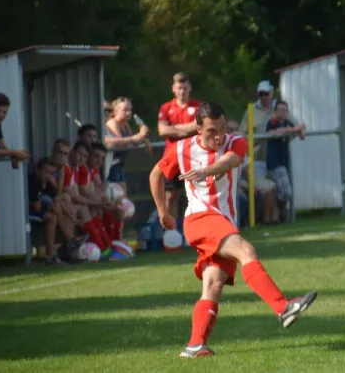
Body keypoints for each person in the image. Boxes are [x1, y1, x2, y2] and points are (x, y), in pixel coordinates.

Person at [149, 101, 317, 358]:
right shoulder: (182, 149)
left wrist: (208, 169)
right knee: (246, 251)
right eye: (210, 131)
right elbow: (155, 175)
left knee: (213, 283)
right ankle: (283, 308)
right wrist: (162, 212)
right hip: (200, 218)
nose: (217, 136)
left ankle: (195, 344)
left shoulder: (234, 141)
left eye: (221, 129)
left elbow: (231, 159)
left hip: (220, 221)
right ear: (198, 129)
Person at [157, 72, 201, 226]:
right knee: (171, 196)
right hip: (172, 157)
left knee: (196, 196)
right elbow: (162, 131)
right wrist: (187, 130)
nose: (182, 91)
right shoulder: (166, 107)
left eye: (185, 87)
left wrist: (173, 128)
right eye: (179, 88)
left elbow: (198, 126)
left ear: (190, 88)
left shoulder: (198, 106)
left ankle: (194, 230)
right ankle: (172, 233)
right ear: (173, 89)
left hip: (194, 156)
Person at [265, 100, 306, 222]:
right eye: (280, 110)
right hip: (275, 162)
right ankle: (279, 214)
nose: (283, 113)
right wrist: (293, 129)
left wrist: (299, 129)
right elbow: (274, 132)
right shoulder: (272, 122)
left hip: (284, 161)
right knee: (286, 191)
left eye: (285, 110)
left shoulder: (288, 122)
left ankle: (280, 217)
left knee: (283, 192)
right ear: (275, 111)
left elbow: (302, 133)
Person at [104, 97, 150, 195]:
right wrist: (136, 138)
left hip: (119, 164)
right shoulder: (112, 123)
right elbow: (121, 142)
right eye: (125, 110)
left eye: (130, 110)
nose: (129, 113)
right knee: (121, 196)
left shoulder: (125, 123)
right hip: (111, 165)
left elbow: (132, 141)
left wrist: (144, 138)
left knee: (122, 196)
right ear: (116, 111)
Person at [28, 157, 66, 264]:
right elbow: (36, 207)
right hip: (27, 212)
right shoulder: (34, 181)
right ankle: (51, 254)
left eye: (51, 173)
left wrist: (54, 184)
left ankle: (51, 254)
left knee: (56, 209)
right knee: (52, 217)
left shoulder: (46, 182)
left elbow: (57, 194)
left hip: (36, 208)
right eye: (45, 172)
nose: (48, 175)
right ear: (37, 170)